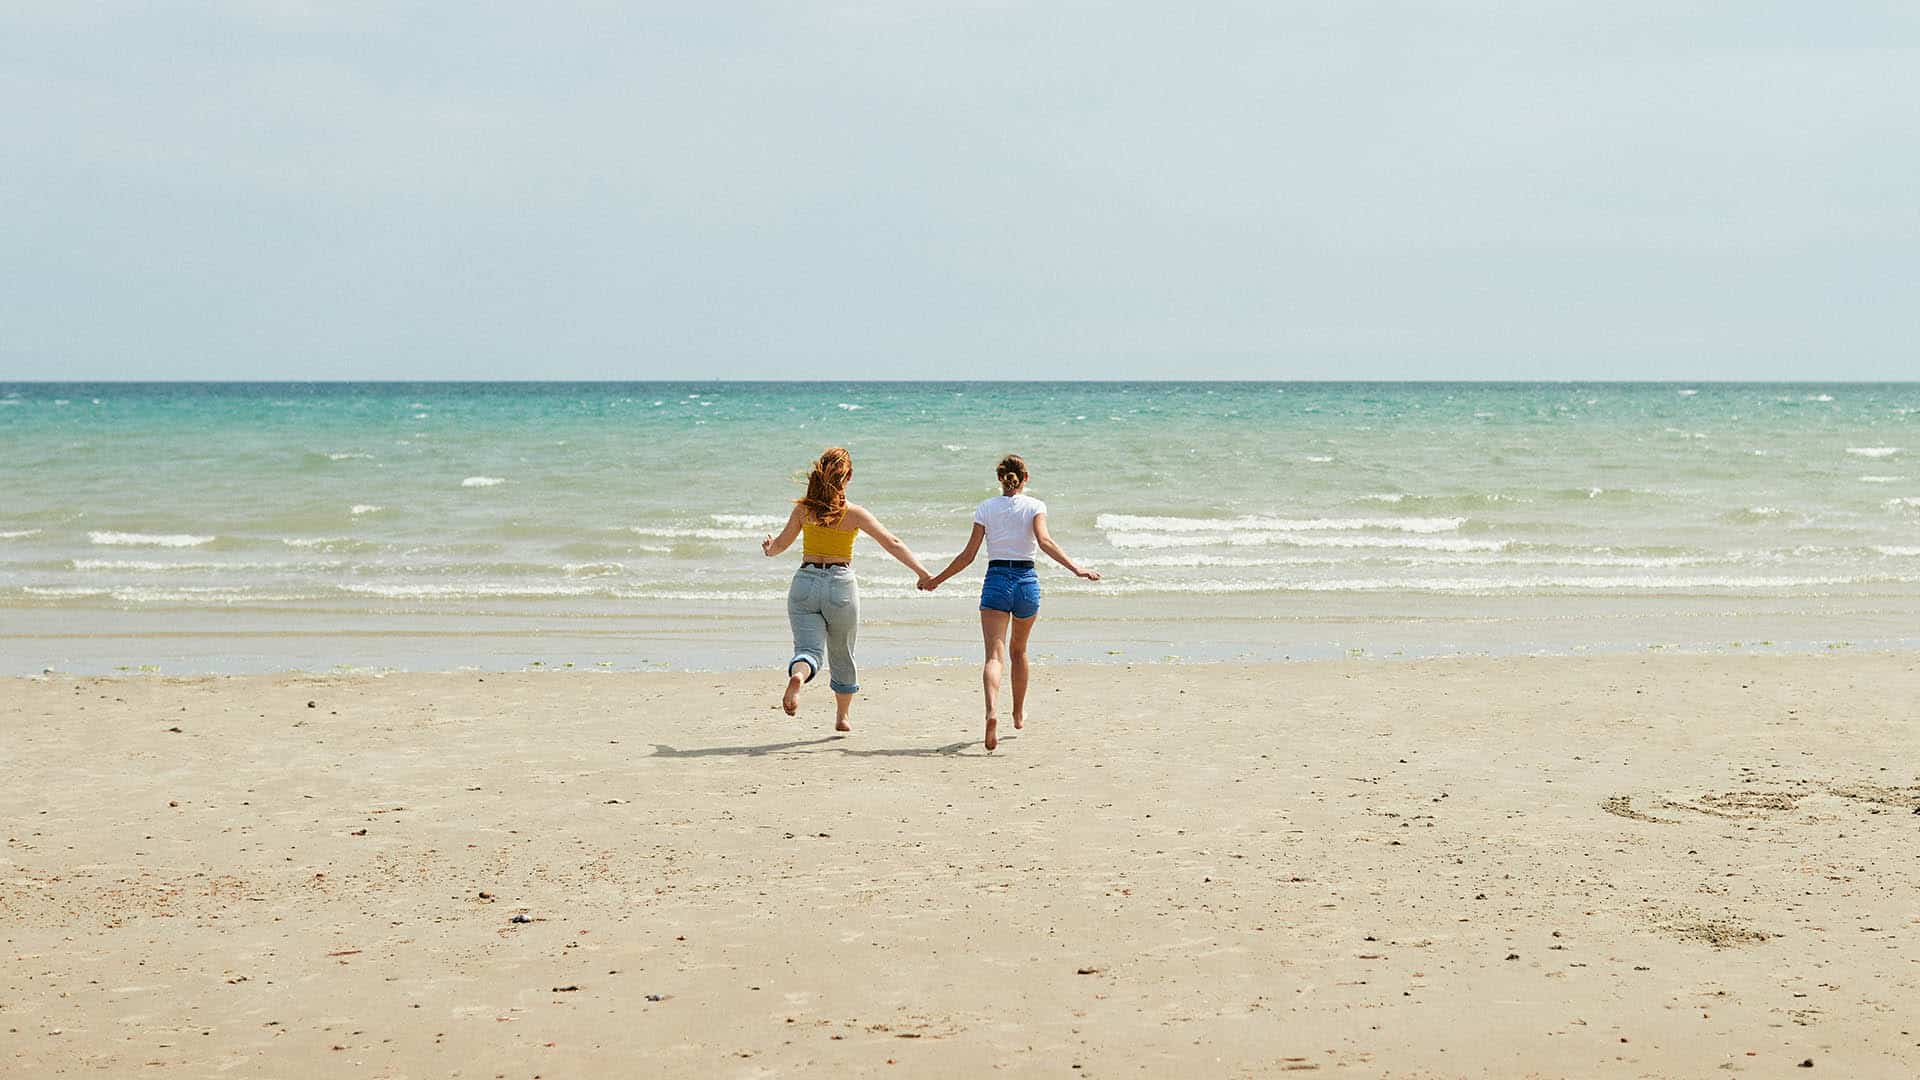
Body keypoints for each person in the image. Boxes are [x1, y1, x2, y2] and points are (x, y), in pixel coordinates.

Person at [921, 454, 1099, 750]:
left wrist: (936, 580)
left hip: (996, 581)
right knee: (1019, 651)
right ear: (1025, 478)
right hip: (1026, 582)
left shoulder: (986, 508)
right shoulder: (1035, 506)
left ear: (1000, 479)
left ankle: (992, 711)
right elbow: (1045, 543)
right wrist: (1077, 569)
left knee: (994, 656)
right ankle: (1017, 713)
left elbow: (967, 556)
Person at [762, 447, 931, 731]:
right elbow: (893, 543)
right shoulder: (854, 514)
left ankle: (799, 679)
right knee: (842, 653)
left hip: (805, 583)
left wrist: (769, 550)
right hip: (840, 587)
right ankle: (842, 717)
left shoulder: (804, 510)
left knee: (808, 650)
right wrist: (923, 573)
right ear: (848, 477)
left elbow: (780, 545)